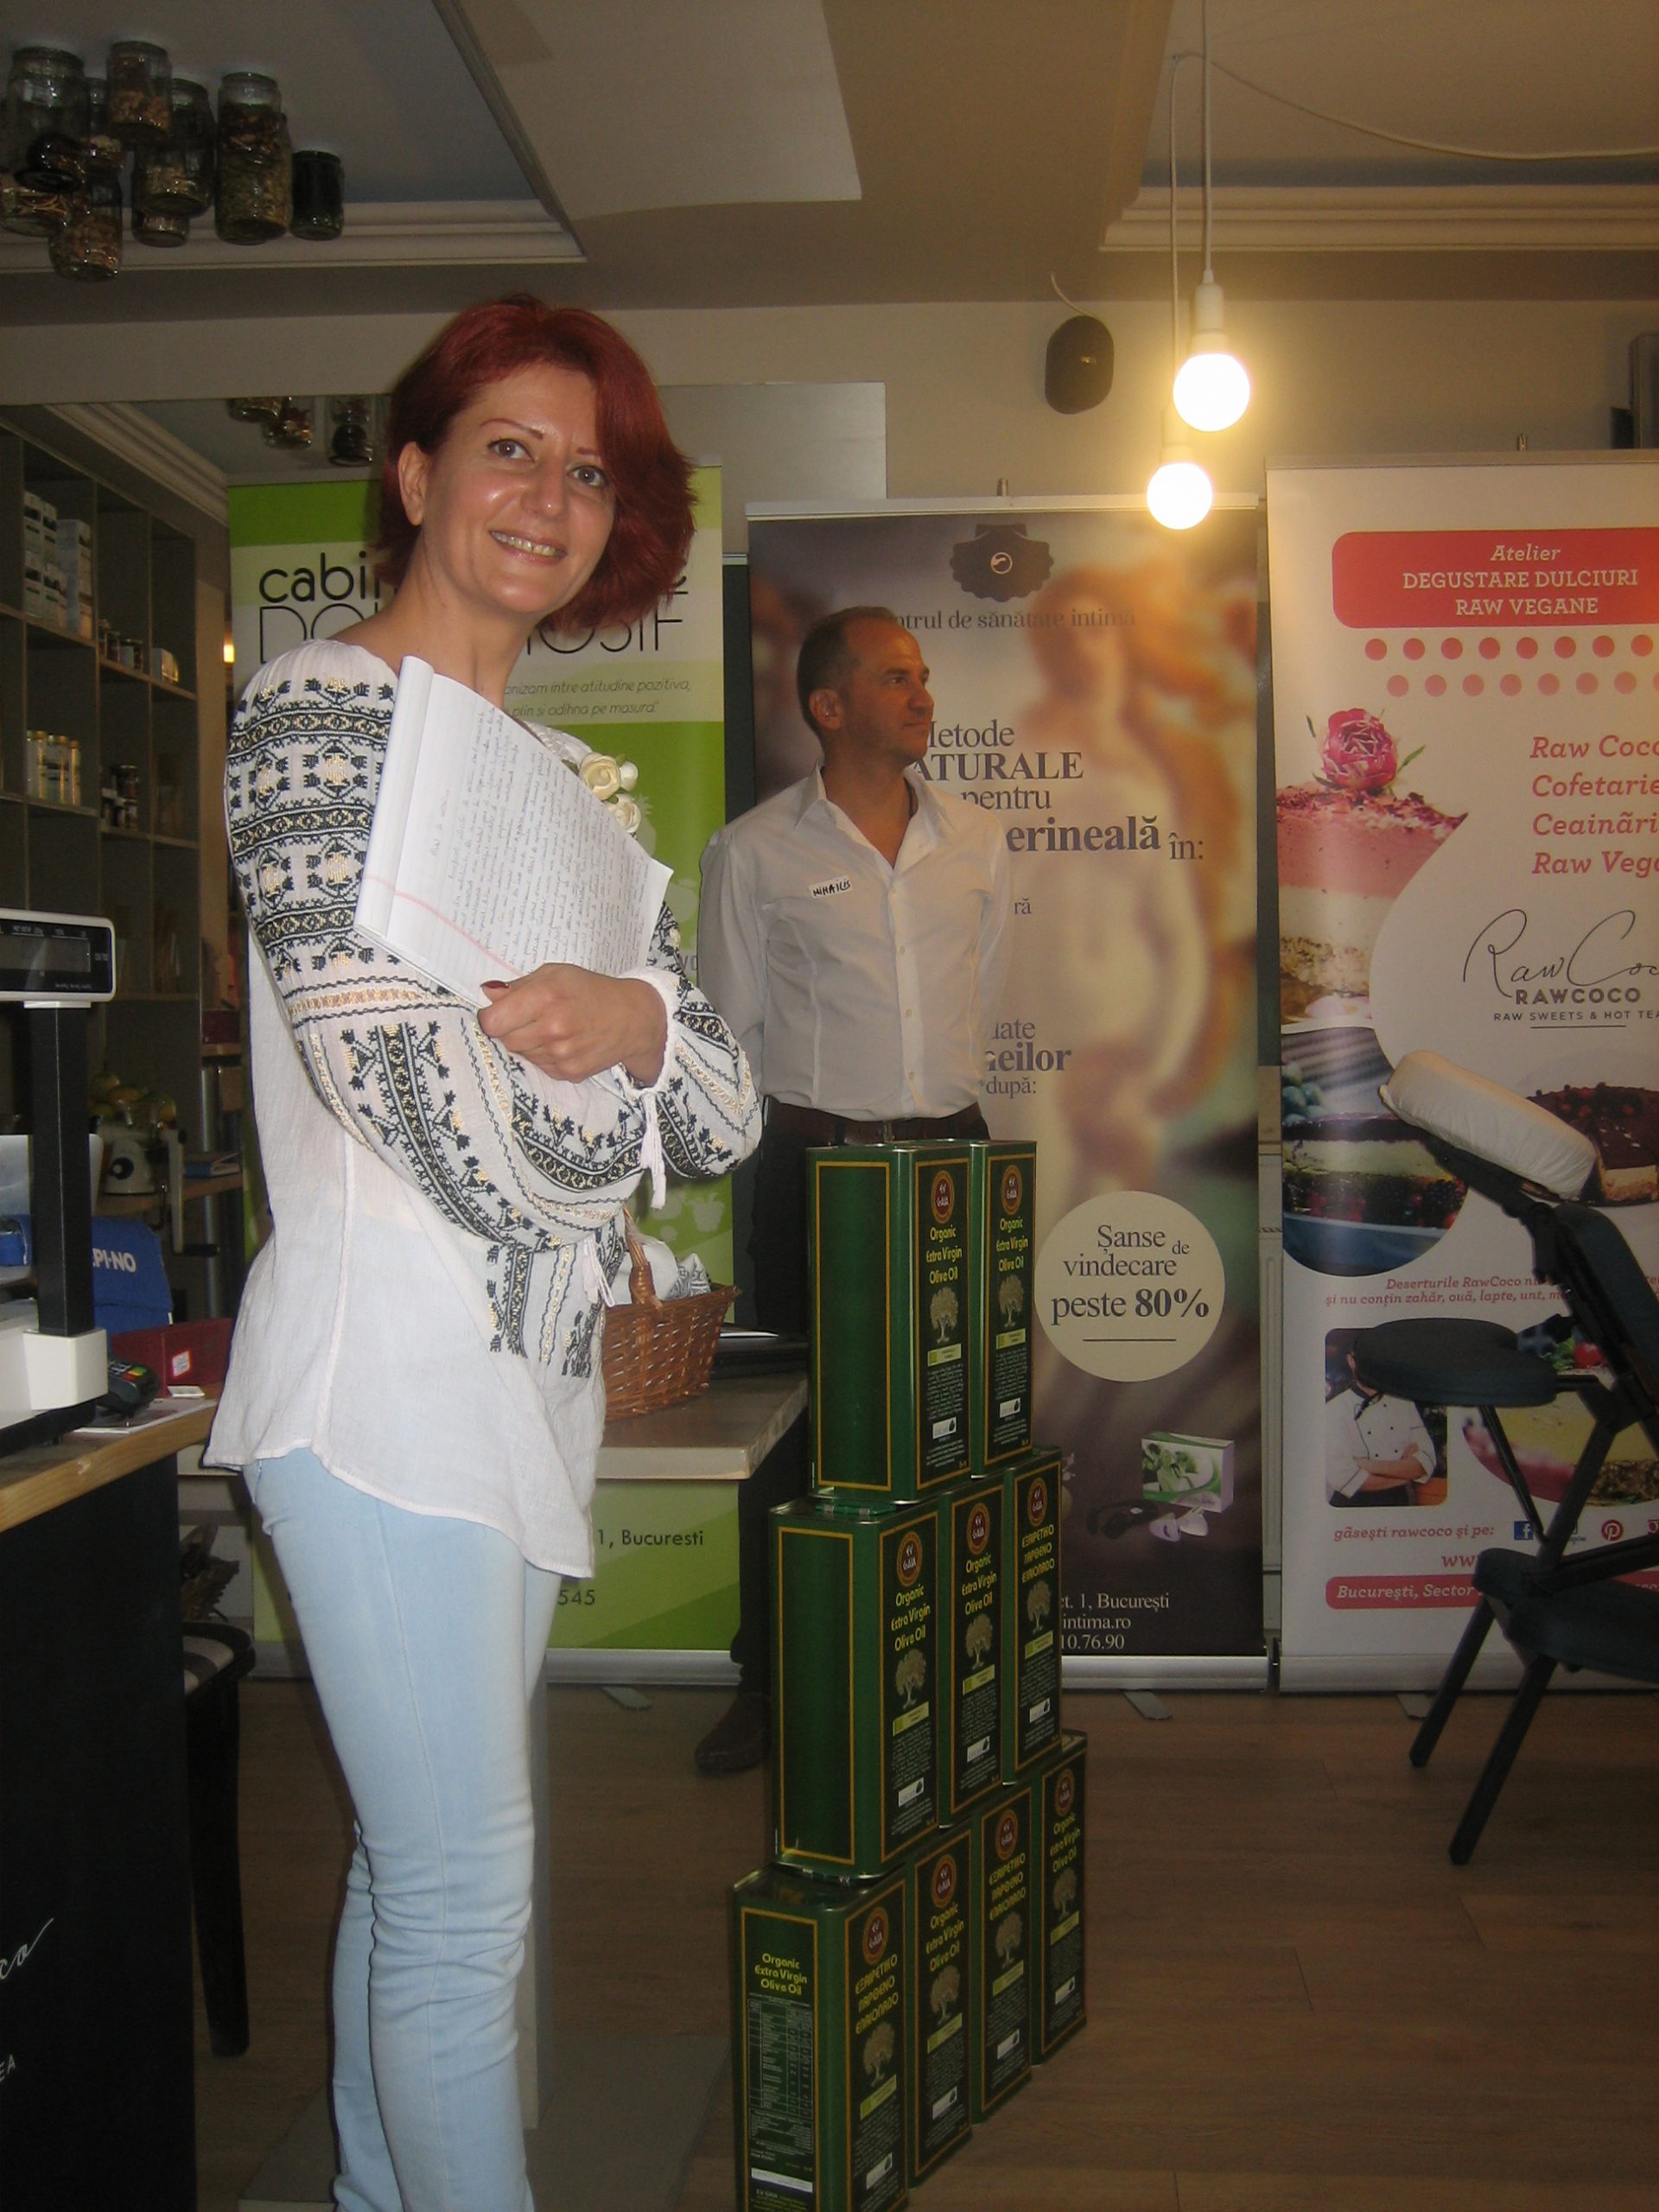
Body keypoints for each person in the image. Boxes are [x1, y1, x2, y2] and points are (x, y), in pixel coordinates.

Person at [206, 296, 759, 2212]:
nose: (549, 495)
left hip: (526, 1388)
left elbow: (728, 1106)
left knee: (416, 1865)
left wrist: (633, 1015)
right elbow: (394, 1086)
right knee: (464, 1897)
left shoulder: (570, 786)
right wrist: (617, 1091)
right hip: (383, 1377)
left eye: (588, 469)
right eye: (509, 447)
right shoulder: (314, 710)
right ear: (419, 472)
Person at [694, 606, 1010, 1771]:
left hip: (954, 1162)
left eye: (922, 676)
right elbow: (727, 1030)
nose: (922, 696)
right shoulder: (753, 852)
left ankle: (945, 1675)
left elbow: (981, 990)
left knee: (957, 1425)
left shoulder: (978, 840)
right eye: (894, 678)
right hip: (815, 1168)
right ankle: (770, 1683)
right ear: (828, 708)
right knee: (793, 1432)